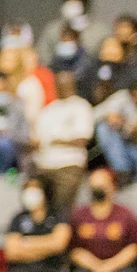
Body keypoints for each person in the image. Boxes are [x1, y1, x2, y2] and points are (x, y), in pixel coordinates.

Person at [32, 71, 95, 216]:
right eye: (58, 84)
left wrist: (54, 140)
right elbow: (38, 139)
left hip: (69, 165)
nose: (62, 87)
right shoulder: (48, 110)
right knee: (34, 199)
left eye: (65, 83)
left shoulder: (80, 106)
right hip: (44, 164)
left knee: (62, 209)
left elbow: (81, 140)